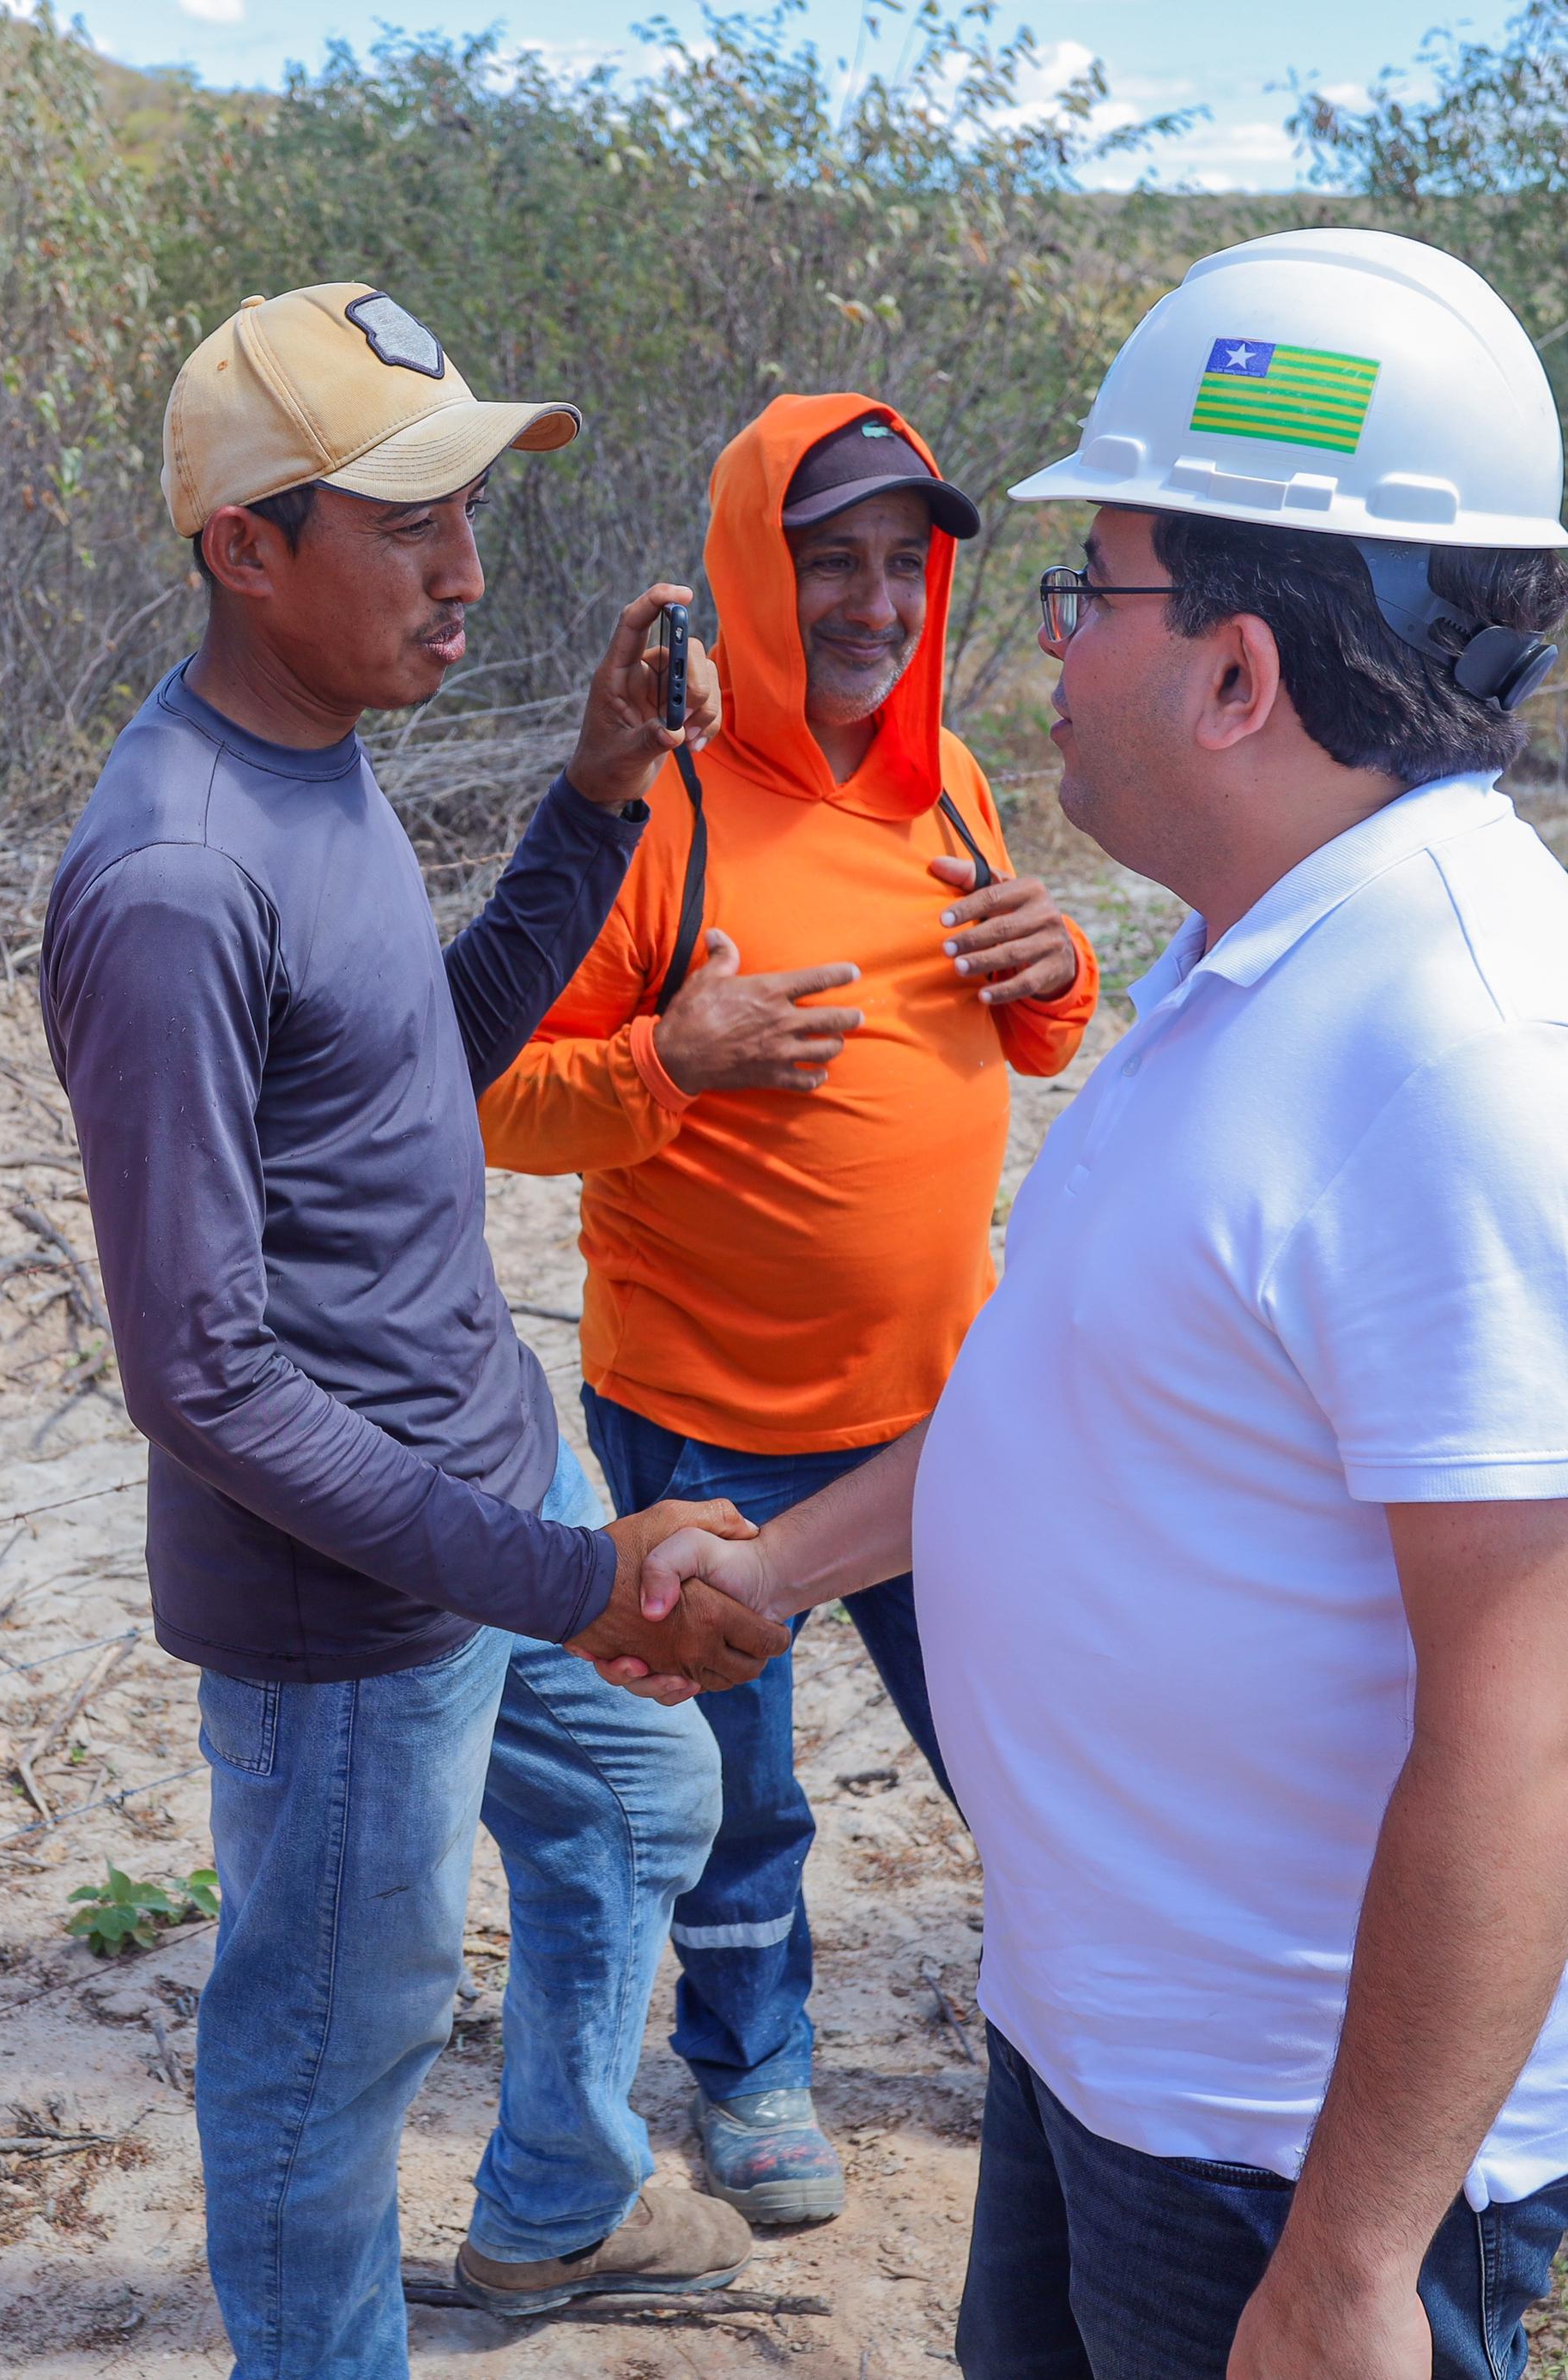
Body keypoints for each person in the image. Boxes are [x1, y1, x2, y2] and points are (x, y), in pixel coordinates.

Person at [628, 230, 1568, 2377]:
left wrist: (1350, 2260)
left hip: (1288, 2137)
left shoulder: (1471, 1059)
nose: (1031, 652)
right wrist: (780, 1554)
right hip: (1119, 2035)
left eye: (1082, 591)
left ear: (1234, 673)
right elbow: (1087, 1400)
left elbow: (1536, 1721)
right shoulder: (1261, 955)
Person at [38, 282, 789, 2371]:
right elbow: (197, 1375)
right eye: (404, 523)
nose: (463, 572)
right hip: (355, 1591)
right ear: (244, 550)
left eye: (467, 507)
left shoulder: (316, 762)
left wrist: (592, 799)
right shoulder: (175, 879)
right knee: (324, 2059)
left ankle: (552, 2205)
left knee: (641, 1808)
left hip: (484, 1467)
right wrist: (559, 1577)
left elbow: (408, 1076)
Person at [477, 392, 1097, 2226]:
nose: (872, 600)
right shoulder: (655, 809)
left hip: (940, 1412)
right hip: (698, 1418)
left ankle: (1071, 2047)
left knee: (1026, 1750)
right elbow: (496, 1094)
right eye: (827, 559)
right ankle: (753, 2074)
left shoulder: (955, 788)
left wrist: (1058, 969)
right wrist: (670, 1059)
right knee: (739, 1795)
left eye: (900, 562)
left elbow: (1030, 1027)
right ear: (753, 571)